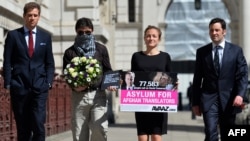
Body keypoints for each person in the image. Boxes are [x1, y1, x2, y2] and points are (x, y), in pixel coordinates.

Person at [3, 2, 55, 141]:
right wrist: (8, 84)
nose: (32, 18)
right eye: (29, 15)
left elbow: (49, 63)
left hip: (39, 88)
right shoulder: (13, 36)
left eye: (35, 15)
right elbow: (7, 61)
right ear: (24, 16)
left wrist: (48, 83)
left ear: (39, 17)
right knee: (23, 128)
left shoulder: (45, 37)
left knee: (38, 125)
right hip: (19, 87)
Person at [192, 17, 248, 141]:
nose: (214, 33)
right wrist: (195, 102)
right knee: (211, 133)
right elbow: (197, 79)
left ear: (224, 31)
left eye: (217, 30)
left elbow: (242, 75)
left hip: (230, 100)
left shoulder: (236, 51)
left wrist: (240, 95)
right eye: (211, 30)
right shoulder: (202, 52)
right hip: (209, 100)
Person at [63, 17, 115, 141]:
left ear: (92, 31)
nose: (84, 35)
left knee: (100, 128)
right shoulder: (70, 52)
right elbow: (66, 74)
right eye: (81, 32)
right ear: (76, 32)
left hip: (98, 94)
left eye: (87, 32)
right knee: (79, 132)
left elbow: (108, 69)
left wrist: (111, 83)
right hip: (79, 96)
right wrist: (75, 86)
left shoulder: (101, 49)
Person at [131, 25, 171, 141]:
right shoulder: (136, 56)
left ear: (159, 39)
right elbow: (132, 76)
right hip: (141, 101)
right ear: (144, 38)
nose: (151, 38)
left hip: (159, 102)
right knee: (142, 137)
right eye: (148, 36)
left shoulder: (165, 57)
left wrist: (174, 84)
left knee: (156, 136)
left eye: (154, 36)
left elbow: (170, 77)